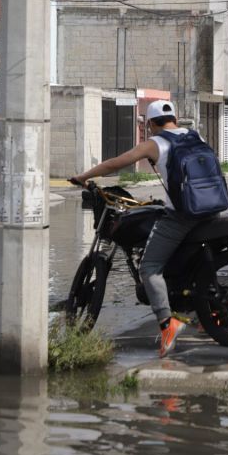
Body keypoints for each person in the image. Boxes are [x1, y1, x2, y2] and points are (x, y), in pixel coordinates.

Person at [69, 100, 217, 357]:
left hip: (183, 215)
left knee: (149, 267)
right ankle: (207, 315)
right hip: (211, 208)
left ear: (150, 124)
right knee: (190, 261)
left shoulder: (156, 143)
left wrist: (84, 177)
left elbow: (116, 163)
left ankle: (167, 323)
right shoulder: (195, 136)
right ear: (175, 118)